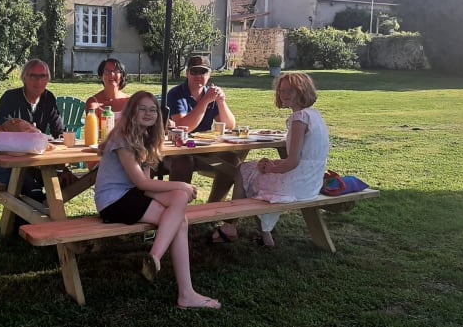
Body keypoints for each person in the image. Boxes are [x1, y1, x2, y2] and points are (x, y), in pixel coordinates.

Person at [94, 90, 221, 310]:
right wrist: (180, 185)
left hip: (131, 193)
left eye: (152, 110)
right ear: (131, 112)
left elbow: (144, 182)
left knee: (179, 215)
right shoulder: (122, 137)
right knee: (179, 215)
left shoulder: (145, 137)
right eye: (141, 108)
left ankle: (180, 288)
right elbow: (142, 184)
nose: (147, 113)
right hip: (113, 201)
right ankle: (159, 261)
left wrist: (176, 193)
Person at [211, 72, 330, 247]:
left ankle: (230, 226)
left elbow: (293, 162)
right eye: (282, 90)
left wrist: (271, 169)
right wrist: (273, 164)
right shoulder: (315, 115)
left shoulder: (299, 118)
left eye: (291, 90)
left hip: (296, 185)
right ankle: (265, 235)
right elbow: (301, 158)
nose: (285, 94)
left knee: (242, 171)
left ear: (303, 91)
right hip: (311, 182)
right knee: (252, 168)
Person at [164, 56, 239, 201]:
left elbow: (230, 126)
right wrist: (205, 101)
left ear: (209, 74)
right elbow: (183, 127)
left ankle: (213, 205)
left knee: (232, 159)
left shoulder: (210, 94)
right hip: (178, 149)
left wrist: (221, 102)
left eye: (203, 72)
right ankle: (178, 207)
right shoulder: (176, 94)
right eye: (194, 71)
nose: (199, 76)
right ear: (187, 73)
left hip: (204, 149)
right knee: (184, 162)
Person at [0, 59, 65, 203]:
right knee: (33, 191)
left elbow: (60, 131)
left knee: (66, 182)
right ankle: (30, 223)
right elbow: (3, 129)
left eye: (43, 76)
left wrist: (65, 167)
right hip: (10, 164)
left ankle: (39, 219)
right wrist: (31, 131)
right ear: (24, 77)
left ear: (48, 79)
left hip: (38, 163)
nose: (38, 81)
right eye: (33, 76)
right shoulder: (10, 98)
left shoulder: (48, 98)